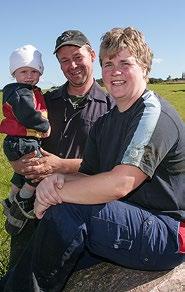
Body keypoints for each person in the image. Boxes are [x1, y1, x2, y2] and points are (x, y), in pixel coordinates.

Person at [2, 26, 185, 291]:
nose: (115, 71)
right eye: (108, 64)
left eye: (125, 62)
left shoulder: (152, 113)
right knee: (48, 246)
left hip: (166, 229)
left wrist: (56, 194)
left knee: (66, 208)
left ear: (145, 67)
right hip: (127, 217)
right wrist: (56, 180)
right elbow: (89, 174)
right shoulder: (105, 122)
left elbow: (120, 183)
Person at [4, 30, 114, 268]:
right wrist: (17, 163)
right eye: (64, 60)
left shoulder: (111, 107)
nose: (72, 65)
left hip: (77, 211)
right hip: (32, 210)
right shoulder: (43, 101)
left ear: (92, 55)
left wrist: (61, 166)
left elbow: (112, 166)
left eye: (77, 56)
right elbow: (18, 137)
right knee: (19, 271)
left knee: (67, 275)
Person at [0, 44, 51, 235]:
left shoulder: (28, 90)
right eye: (23, 71)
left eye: (34, 71)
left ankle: (11, 199)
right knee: (37, 172)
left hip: (21, 140)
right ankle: (23, 200)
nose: (29, 75)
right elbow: (27, 115)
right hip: (21, 141)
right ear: (14, 73)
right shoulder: (19, 91)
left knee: (22, 173)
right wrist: (45, 126)